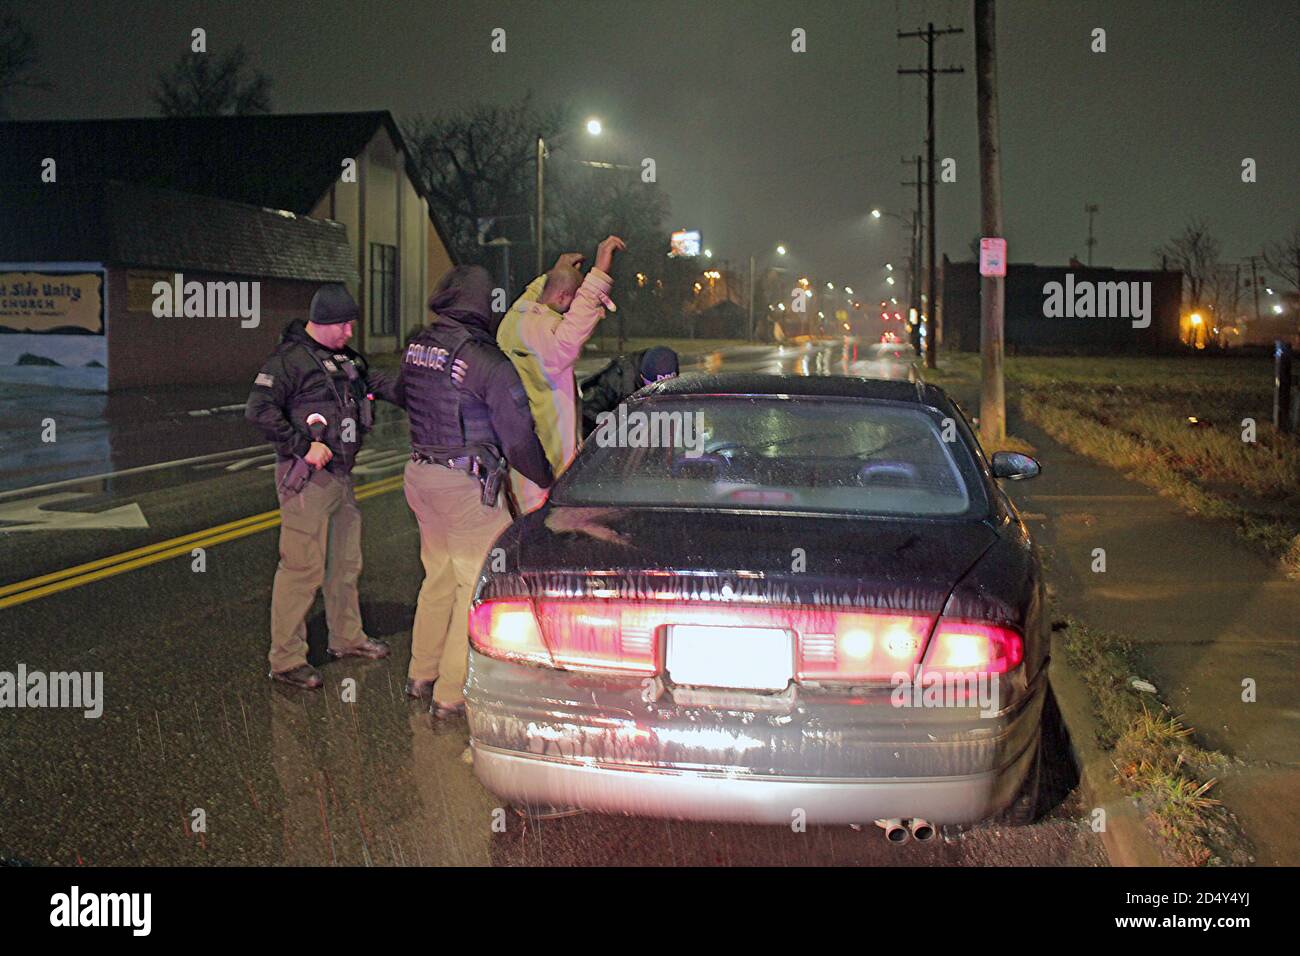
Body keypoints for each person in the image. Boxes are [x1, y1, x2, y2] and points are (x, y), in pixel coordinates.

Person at [397, 265, 554, 717]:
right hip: (464, 487)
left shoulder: (420, 347)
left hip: (421, 475)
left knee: (438, 576)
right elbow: (519, 437)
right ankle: (450, 695)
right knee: (475, 585)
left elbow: (403, 392)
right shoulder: (488, 363)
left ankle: (420, 673)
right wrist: (547, 480)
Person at [246, 284, 401, 690]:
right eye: (344, 324)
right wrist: (302, 446)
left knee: (345, 565)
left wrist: (424, 386)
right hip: (307, 478)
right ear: (324, 321)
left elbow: (377, 383)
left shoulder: (346, 358)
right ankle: (286, 660)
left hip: (341, 477)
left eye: (352, 323)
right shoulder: (289, 361)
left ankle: (347, 638)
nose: (351, 331)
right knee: (301, 569)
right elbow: (258, 410)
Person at [497, 235, 625, 512]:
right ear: (563, 297)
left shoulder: (510, 323)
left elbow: (534, 296)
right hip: (549, 464)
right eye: (570, 301)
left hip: (518, 458)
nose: (569, 310)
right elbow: (578, 320)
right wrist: (600, 272)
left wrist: (553, 273)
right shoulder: (551, 339)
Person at [579, 346, 679, 439]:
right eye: (652, 387)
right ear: (641, 376)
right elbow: (588, 412)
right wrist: (618, 427)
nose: (657, 393)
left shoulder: (669, 368)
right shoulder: (617, 380)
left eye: (664, 389)